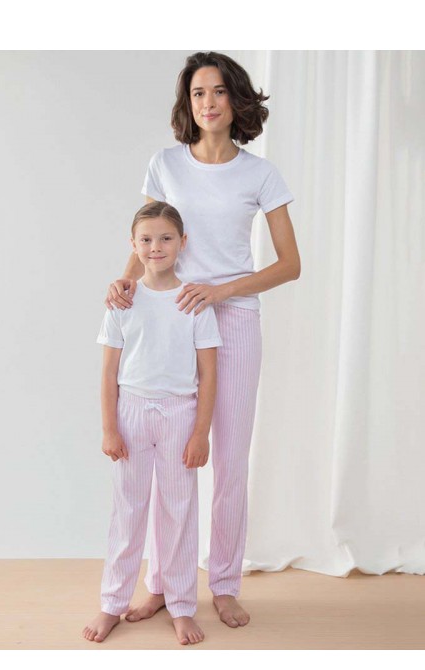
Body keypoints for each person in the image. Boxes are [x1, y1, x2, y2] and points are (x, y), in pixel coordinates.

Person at [105, 51, 301, 629]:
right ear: (187, 103)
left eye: (218, 92)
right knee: (167, 458)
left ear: (236, 100)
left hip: (233, 321)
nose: (208, 103)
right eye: (197, 93)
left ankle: (224, 583)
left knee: (229, 459)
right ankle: (162, 585)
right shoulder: (164, 163)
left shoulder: (260, 174)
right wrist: (126, 281)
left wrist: (220, 291)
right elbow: (148, 236)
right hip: (171, 321)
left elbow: (290, 264)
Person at [82, 201, 223, 645]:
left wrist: (200, 433)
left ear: (183, 242)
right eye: (146, 239)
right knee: (128, 511)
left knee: (178, 512)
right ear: (133, 244)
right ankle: (112, 603)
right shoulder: (122, 302)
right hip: (132, 413)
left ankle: (181, 605)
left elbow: (209, 374)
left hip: (181, 414)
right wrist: (110, 428)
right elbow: (108, 372)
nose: (155, 247)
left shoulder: (194, 303)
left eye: (165, 238)